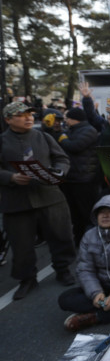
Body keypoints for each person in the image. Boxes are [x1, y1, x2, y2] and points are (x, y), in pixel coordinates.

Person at [0, 102, 76, 300]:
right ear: (8, 119)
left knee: (61, 235)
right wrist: (11, 178)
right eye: (21, 115)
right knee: (21, 244)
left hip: (50, 197)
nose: (28, 118)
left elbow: (62, 159)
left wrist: (59, 171)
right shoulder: (2, 141)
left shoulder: (44, 136)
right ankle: (27, 279)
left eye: (30, 114)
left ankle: (63, 270)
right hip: (17, 202)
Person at [58, 194, 110, 332]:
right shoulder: (89, 236)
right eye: (101, 212)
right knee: (65, 299)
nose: (105, 215)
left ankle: (97, 317)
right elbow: (85, 269)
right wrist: (96, 293)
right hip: (103, 287)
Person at [58, 107, 100, 245]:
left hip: (84, 179)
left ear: (72, 119)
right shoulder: (72, 130)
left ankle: (91, 241)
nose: (65, 121)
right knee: (74, 213)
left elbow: (75, 146)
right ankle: (79, 239)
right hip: (71, 178)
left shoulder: (89, 130)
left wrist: (63, 138)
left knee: (86, 212)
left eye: (67, 118)